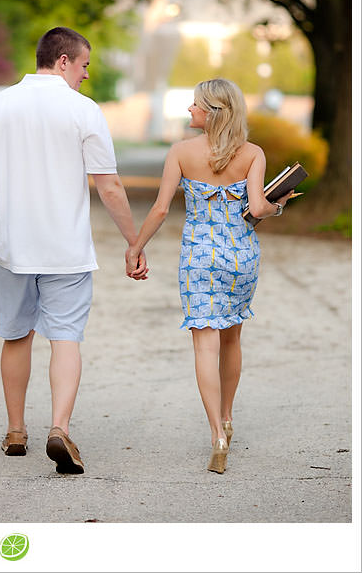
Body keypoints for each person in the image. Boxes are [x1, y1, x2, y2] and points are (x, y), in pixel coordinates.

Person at [0, 26, 148, 475]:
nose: (85, 75)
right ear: (63, 61)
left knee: (16, 335)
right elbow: (110, 186)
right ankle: (59, 427)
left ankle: (16, 431)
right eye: (83, 66)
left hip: (11, 248)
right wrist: (133, 242)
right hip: (66, 250)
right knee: (66, 337)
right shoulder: (84, 111)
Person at [125, 77, 294, 474]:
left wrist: (136, 247)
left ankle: (216, 433)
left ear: (213, 111)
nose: (190, 110)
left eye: (195, 104)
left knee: (205, 346)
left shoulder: (181, 153)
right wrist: (279, 203)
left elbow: (161, 210)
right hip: (241, 258)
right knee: (233, 336)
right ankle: (229, 417)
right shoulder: (252, 153)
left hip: (199, 258)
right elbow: (257, 207)